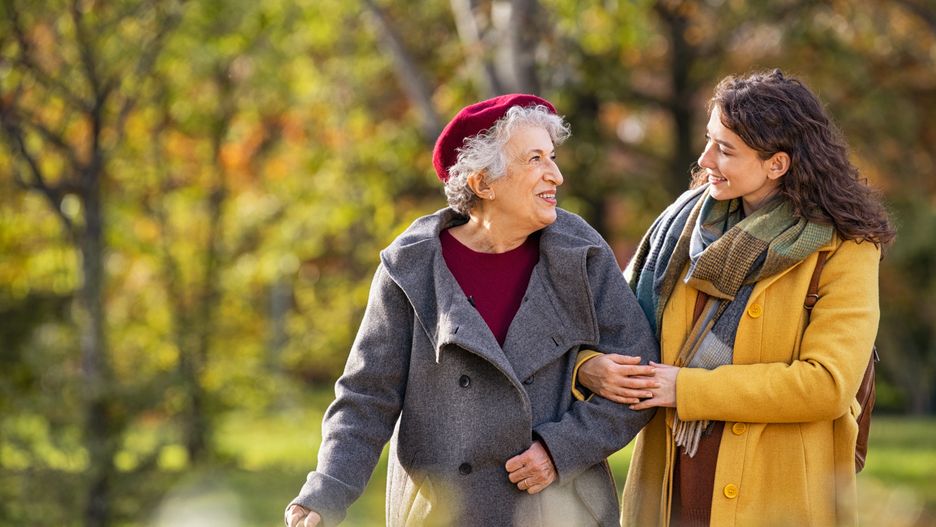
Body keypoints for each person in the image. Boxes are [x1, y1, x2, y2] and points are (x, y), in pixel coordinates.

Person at [285, 94, 658, 527]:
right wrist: (324, 494)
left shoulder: (581, 253)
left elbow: (640, 378)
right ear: (483, 183)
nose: (555, 174)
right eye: (535, 159)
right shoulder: (411, 267)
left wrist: (561, 450)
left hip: (559, 508)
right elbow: (367, 396)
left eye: (552, 157)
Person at [575, 69, 895, 526]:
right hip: (672, 486)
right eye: (709, 140)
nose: (705, 159)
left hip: (776, 494)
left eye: (725, 150)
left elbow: (825, 384)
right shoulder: (681, 231)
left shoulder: (845, 248)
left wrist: (685, 389)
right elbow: (610, 326)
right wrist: (591, 365)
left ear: (776, 164)